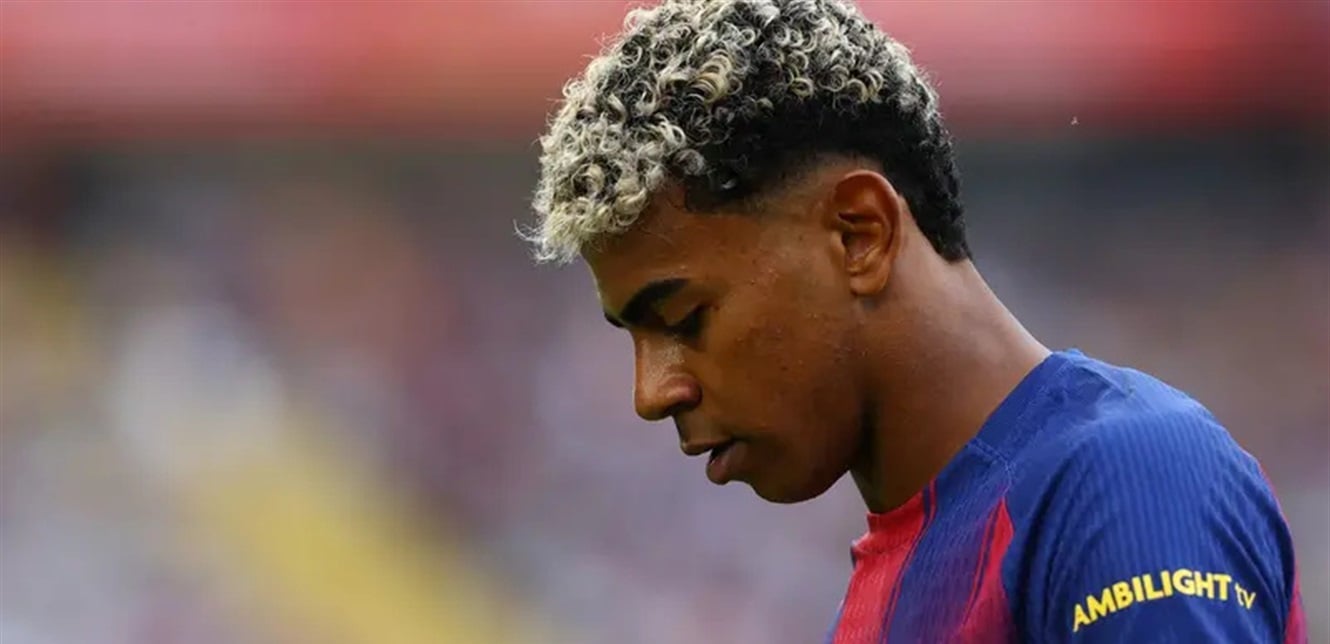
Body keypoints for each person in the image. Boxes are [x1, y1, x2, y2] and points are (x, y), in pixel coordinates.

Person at [523, 0, 1306, 641]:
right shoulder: (892, 579)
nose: (652, 393)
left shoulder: (1124, 479)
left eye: (684, 319)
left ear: (859, 234)